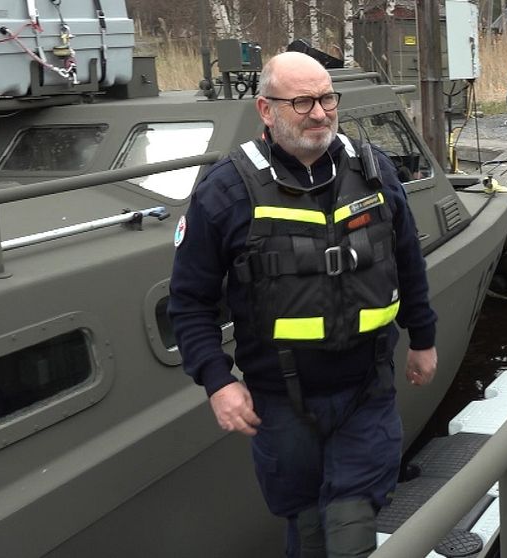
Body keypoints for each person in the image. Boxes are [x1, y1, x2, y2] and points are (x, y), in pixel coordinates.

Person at [168, 51, 438, 557]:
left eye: (327, 98)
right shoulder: (224, 192)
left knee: (352, 520)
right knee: (308, 525)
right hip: (282, 399)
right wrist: (217, 382)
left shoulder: (374, 169)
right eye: (302, 102)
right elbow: (188, 302)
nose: (320, 113)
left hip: (366, 387)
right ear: (266, 110)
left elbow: (407, 258)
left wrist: (422, 337)